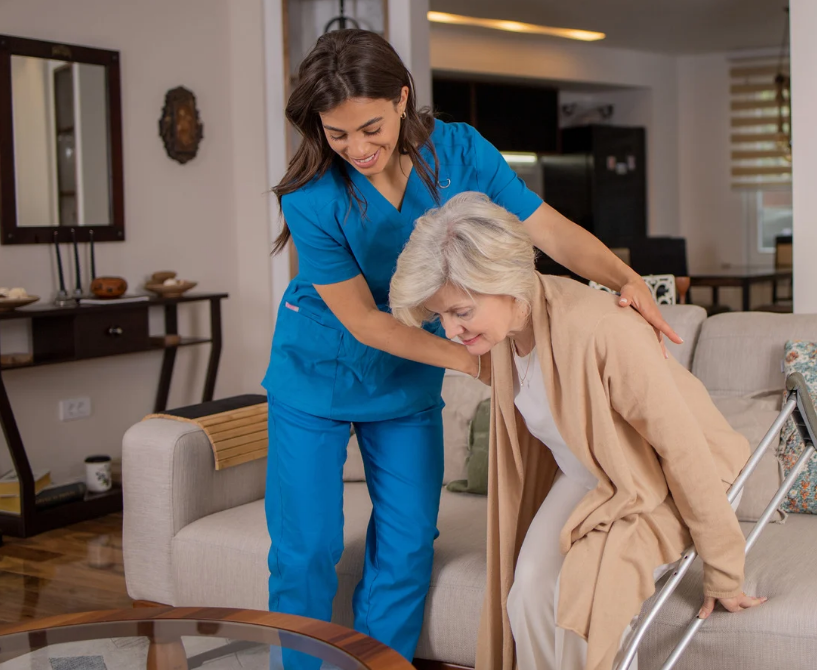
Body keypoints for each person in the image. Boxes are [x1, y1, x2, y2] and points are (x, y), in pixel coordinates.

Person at [261, 29, 681, 666]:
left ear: (402, 98)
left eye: (370, 127)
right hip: (317, 367)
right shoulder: (312, 197)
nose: (357, 149)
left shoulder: (457, 152)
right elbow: (366, 323)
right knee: (307, 547)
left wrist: (624, 278)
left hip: (406, 376)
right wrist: (478, 361)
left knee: (406, 544)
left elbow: (548, 230)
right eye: (337, 135)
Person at [389, 192, 766, 670]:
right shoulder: (503, 339)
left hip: (658, 477)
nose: (451, 331)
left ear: (508, 283)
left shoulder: (601, 331)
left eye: (461, 312)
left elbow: (683, 449)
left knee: (580, 603)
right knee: (525, 591)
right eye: (440, 316)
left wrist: (725, 570)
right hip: (589, 470)